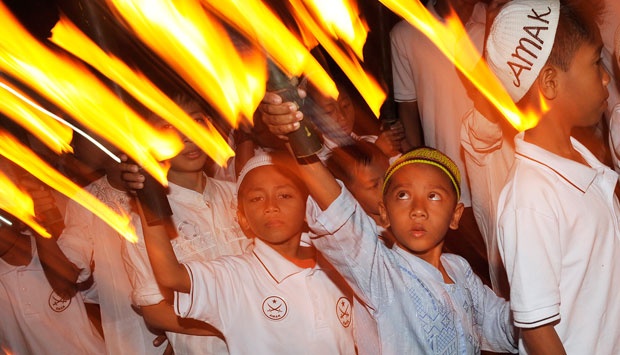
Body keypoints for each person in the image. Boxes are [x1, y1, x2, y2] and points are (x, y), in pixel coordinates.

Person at [261, 101, 518, 353]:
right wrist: (293, 139)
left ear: (455, 215)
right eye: (403, 195)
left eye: (433, 196)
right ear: (385, 212)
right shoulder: (380, 271)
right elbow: (340, 213)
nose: (418, 209)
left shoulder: (460, 270)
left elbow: (503, 325)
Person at [485, 0, 620, 353]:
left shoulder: (580, 158)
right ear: (549, 82)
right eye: (594, 63)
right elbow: (538, 332)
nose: (606, 76)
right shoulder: (531, 199)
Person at [126, 152, 358, 354]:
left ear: (307, 206)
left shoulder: (338, 265)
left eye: (285, 195)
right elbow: (170, 276)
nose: (271, 205)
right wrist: (149, 199)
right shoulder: (235, 276)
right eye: (257, 198)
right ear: (242, 218)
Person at [120, 95, 250, 354]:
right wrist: (230, 326)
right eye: (169, 127)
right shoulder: (146, 220)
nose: (188, 135)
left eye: (196, 121)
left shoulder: (240, 195)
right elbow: (155, 311)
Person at [28, 128, 167, 355]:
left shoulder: (166, 182)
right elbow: (64, 280)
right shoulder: (85, 202)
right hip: (136, 342)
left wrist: (178, 326)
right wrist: (38, 223)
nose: (72, 144)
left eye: (80, 132)